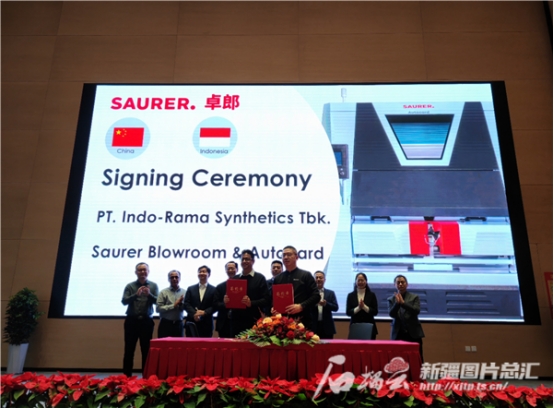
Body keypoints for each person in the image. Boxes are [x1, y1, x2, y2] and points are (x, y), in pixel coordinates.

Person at [121, 262, 159, 377]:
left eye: (144, 270)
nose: (142, 272)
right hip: (131, 321)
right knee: (129, 350)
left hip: (146, 322)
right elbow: (124, 301)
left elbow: (158, 302)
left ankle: (146, 378)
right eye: (140, 270)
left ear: (148, 271)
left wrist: (149, 295)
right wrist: (135, 295)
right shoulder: (130, 286)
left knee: (146, 351)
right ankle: (126, 378)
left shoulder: (153, 286)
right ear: (136, 272)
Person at [271, 245, 320, 328]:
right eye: (284, 255)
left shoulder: (306, 275)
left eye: (289, 254)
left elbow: (316, 296)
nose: (286, 257)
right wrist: (273, 308)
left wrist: (301, 306)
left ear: (296, 257)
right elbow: (273, 298)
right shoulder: (278, 278)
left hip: (302, 321)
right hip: (282, 322)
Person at [226, 249, 270, 336]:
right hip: (236, 321)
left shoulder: (260, 278)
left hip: (253, 320)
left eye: (247, 259)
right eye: (242, 259)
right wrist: (227, 300)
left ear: (253, 261)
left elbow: (266, 300)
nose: (244, 261)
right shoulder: (234, 279)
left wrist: (251, 303)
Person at [388, 274, 425, 361]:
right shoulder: (391, 299)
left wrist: (403, 303)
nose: (400, 284)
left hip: (413, 333)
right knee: (398, 359)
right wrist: (397, 304)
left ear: (407, 284)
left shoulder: (414, 297)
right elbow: (392, 314)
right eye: (398, 282)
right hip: (398, 333)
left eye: (402, 282)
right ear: (395, 285)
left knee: (417, 359)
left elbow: (416, 310)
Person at [184, 265, 217, 338]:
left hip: (206, 324)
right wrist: (194, 314)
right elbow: (186, 304)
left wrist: (204, 312)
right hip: (192, 322)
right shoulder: (190, 289)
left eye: (204, 272)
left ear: (209, 274)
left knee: (205, 344)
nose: (201, 273)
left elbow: (215, 306)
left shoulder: (214, 289)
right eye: (200, 272)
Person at [346, 272, 379, 340]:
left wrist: (364, 307)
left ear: (366, 281)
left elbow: (375, 312)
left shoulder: (372, 295)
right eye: (359, 280)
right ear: (356, 282)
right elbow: (348, 312)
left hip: (370, 327)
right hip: (355, 327)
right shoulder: (350, 295)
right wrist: (358, 308)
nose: (360, 282)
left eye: (362, 280)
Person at [156, 270, 186, 338]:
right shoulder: (163, 292)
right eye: (172, 277)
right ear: (168, 279)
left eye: (176, 277)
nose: (174, 279)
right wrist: (173, 305)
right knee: (163, 345)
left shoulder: (185, 292)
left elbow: (187, 308)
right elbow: (158, 309)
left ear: (180, 278)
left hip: (179, 324)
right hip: (165, 325)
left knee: (179, 344)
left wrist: (180, 304)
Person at [309, 271, 339, 339]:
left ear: (324, 280)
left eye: (320, 278)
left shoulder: (330, 293)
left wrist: (326, 304)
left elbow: (335, 308)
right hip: (313, 326)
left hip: (327, 327)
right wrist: (315, 303)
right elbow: (306, 307)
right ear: (314, 280)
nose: (318, 279)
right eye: (316, 277)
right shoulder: (309, 293)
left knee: (327, 345)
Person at [214, 261, 238, 338]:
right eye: (228, 269)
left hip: (239, 323)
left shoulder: (243, 285)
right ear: (226, 270)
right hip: (223, 323)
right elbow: (215, 304)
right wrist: (224, 303)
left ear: (237, 270)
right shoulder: (220, 287)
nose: (230, 270)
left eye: (232, 268)